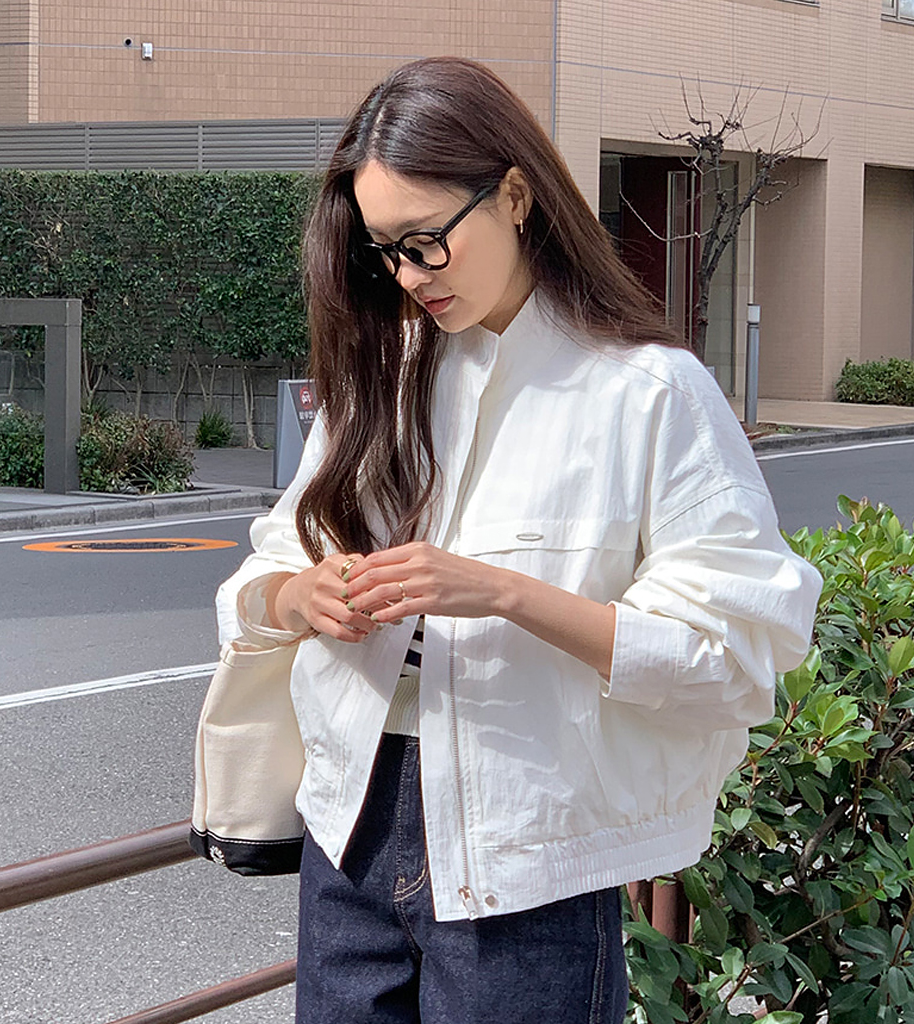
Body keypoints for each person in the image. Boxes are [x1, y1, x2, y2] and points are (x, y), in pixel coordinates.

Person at [215, 56, 822, 1024]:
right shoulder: (384, 375)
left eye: (427, 241)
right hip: (351, 819)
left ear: (513, 195)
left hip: (530, 849)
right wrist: (301, 596)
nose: (409, 276)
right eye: (386, 250)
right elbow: (270, 564)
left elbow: (733, 654)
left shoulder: (647, 393)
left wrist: (502, 592)